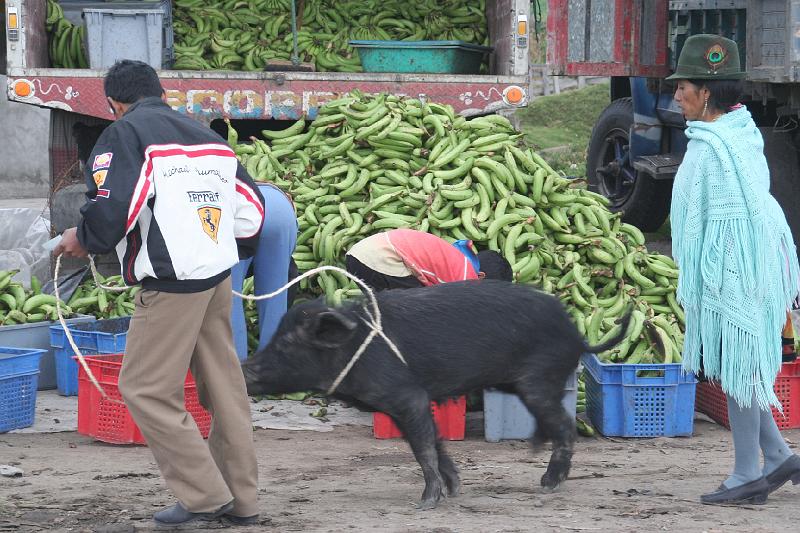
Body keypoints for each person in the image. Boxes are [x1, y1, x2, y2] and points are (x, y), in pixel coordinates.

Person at [54, 60, 265, 527]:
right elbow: (251, 213)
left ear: (114, 103)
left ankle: (205, 495)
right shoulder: (208, 136)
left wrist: (83, 238)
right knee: (224, 391)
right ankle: (243, 501)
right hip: (216, 278)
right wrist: (214, 244)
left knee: (144, 389)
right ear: (160, 91)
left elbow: (113, 209)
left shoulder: (125, 134)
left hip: (171, 284)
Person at [668, 34, 800, 505]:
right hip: (758, 256)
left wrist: (718, 278)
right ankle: (779, 454)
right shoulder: (738, 132)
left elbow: (728, 218)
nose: (676, 96)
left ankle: (748, 474)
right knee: (738, 363)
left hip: (738, 264)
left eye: (683, 87)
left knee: (739, 360)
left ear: (706, 92)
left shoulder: (716, 146)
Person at [230, 184, 298, 360]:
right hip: (281, 209)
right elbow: (289, 269)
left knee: (231, 300)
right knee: (276, 299)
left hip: (241, 212)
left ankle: (238, 373)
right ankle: (273, 370)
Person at [344, 229, 512, 291]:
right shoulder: (466, 277)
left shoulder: (457, 258)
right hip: (382, 260)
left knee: (383, 313)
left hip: (359, 256)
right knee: (416, 309)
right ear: (481, 276)